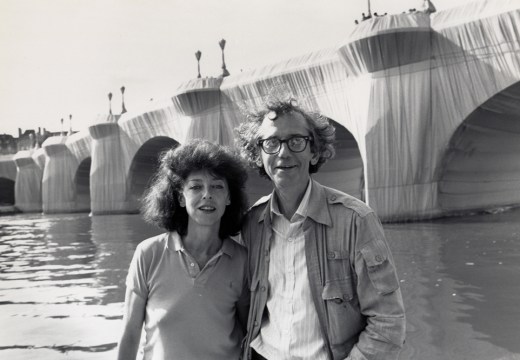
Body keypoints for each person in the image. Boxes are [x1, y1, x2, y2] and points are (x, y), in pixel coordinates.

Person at [236, 96, 406, 360]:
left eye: (296, 141)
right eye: (271, 143)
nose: (283, 152)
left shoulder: (355, 220)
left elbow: (388, 322)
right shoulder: (251, 223)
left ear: (314, 151)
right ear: (258, 156)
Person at [117, 139, 250, 360]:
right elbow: (130, 335)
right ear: (180, 197)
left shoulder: (243, 260)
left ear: (228, 198)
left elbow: (249, 335)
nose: (207, 194)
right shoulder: (148, 254)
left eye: (217, 186)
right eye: (196, 186)